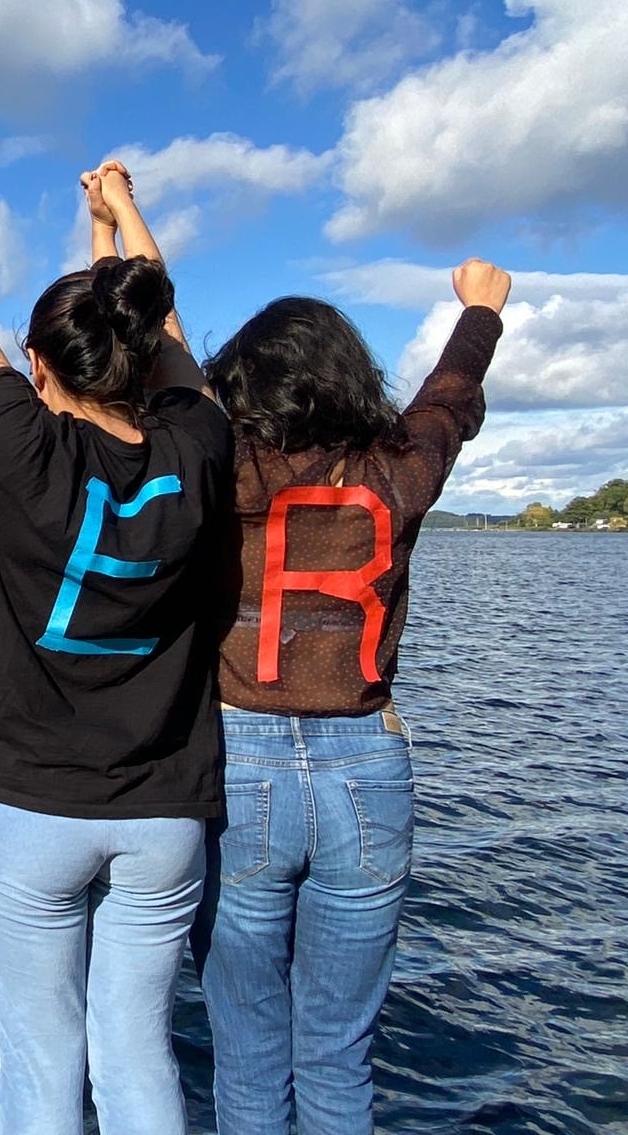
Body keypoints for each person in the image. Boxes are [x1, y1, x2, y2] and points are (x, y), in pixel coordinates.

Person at [0, 159, 233, 1135]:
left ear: (38, 367)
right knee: (136, 1056)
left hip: (22, 812)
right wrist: (117, 215)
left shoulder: (27, 445)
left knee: (39, 1062)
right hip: (163, 815)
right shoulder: (196, 448)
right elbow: (159, 327)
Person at [192, 260, 512, 1134]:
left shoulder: (224, 472)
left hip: (243, 762)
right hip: (369, 766)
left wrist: (112, 230)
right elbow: (448, 397)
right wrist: (480, 312)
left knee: (248, 1057)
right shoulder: (397, 474)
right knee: (338, 1056)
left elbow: (172, 368)